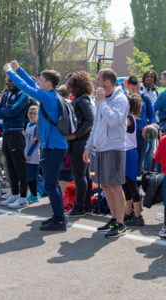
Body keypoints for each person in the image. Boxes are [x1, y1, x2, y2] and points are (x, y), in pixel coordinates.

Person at [4, 60, 67, 230]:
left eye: (41, 80)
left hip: (53, 147)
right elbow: (31, 84)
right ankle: (58, 216)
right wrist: (19, 69)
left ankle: (59, 219)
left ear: (48, 83)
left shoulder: (47, 96)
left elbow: (26, 87)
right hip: (52, 146)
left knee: (50, 184)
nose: (37, 81)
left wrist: (10, 72)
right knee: (52, 183)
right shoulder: (50, 94)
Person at [83, 68, 129, 238]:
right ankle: (115, 218)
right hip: (101, 148)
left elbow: (114, 121)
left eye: (99, 79)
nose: (96, 81)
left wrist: (101, 102)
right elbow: (96, 125)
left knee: (115, 186)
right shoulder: (102, 100)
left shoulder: (120, 99)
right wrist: (88, 146)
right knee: (105, 185)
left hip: (114, 148)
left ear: (107, 83)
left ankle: (121, 224)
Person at [0, 72, 29, 209]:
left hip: (16, 133)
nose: (9, 83)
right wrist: (6, 111)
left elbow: (14, 112)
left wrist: (6, 111)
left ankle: (23, 197)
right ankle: (14, 194)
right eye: (8, 80)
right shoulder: (6, 94)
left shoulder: (23, 94)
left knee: (19, 166)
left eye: (12, 80)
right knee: (10, 165)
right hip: (6, 133)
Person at [64, 71, 95, 216]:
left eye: (69, 83)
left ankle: (80, 206)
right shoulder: (80, 98)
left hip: (80, 141)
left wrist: (74, 135)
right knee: (85, 175)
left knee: (79, 175)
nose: (67, 86)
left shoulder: (82, 100)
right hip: (81, 141)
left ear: (76, 85)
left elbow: (90, 120)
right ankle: (86, 205)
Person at [126, 75, 157, 175]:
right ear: (127, 87)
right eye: (132, 88)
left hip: (141, 134)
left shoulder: (145, 98)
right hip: (127, 135)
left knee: (140, 159)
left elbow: (152, 115)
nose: (135, 91)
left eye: (137, 88)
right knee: (127, 161)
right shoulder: (123, 98)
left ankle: (136, 180)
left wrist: (152, 125)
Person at [123, 94, 145, 226]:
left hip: (129, 153)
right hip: (124, 153)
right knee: (124, 185)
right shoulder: (128, 117)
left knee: (131, 184)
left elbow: (119, 124)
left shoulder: (129, 117)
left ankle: (138, 215)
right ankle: (128, 213)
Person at [24, 105, 41, 204]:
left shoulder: (36, 127)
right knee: (28, 176)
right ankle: (33, 193)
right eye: (30, 113)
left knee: (32, 178)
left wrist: (29, 154)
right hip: (27, 154)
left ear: (38, 115)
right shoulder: (28, 125)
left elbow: (35, 144)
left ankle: (34, 195)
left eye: (34, 113)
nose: (32, 115)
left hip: (34, 156)